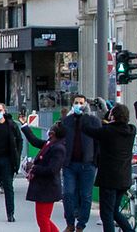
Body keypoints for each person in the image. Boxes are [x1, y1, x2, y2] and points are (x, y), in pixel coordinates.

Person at [80, 103, 135, 232]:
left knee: (106, 214)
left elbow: (87, 129)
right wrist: (107, 112)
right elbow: (111, 123)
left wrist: (86, 114)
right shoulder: (131, 130)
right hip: (124, 178)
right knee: (115, 211)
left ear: (113, 116)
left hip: (109, 179)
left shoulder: (107, 131)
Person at [56, 96, 101, 232]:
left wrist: (95, 161)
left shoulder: (93, 121)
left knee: (86, 195)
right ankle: (70, 223)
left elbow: (98, 142)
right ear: (72, 105)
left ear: (86, 105)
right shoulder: (66, 121)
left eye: (81, 103)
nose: (79, 105)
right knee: (68, 193)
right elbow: (59, 139)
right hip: (69, 164)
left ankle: (81, 225)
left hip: (87, 164)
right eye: (76, 103)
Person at [23, 122, 68, 232]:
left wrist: (34, 168)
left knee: (43, 219)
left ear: (52, 133)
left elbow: (52, 170)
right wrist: (24, 126)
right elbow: (34, 141)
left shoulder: (59, 148)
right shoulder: (50, 144)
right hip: (42, 187)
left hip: (48, 188)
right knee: (43, 219)